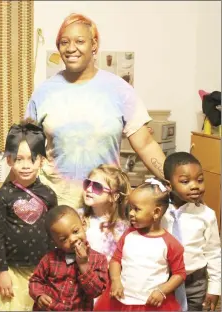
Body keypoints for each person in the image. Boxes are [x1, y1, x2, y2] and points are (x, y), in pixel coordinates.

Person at [24, 13, 166, 208]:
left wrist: (174, 181)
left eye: (79, 41)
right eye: (64, 42)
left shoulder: (119, 90)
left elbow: (146, 145)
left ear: (94, 45)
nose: (71, 48)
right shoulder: (43, 93)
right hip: (56, 207)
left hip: (105, 206)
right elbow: (27, 150)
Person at [0, 119, 58, 311]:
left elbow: (54, 236)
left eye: (32, 158)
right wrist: (1, 272)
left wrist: (53, 271)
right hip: (12, 271)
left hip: (42, 273)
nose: (26, 165)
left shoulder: (49, 195)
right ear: (9, 160)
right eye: (19, 159)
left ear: (42, 161)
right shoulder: (3, 195)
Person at [95, 178, 186, 311]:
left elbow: (179, 274)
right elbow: (115, 260)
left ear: (156, 212)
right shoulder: (128, 235)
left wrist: (162, 291)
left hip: (151, 305)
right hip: (121, 302)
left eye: (136, 209)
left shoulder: (170, 244)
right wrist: (115, 280)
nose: (131, 213)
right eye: (130, 208)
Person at [161, 152, 221, 311]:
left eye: (200, 180)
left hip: (195, 284)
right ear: (169, 185)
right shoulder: (159, 211)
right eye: (185, 181)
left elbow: (214, 252)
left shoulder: (206, 215)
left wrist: (215, 288)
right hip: (162, 281)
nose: (195, 186)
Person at [29, 205, 108, 311]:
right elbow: (35, 280)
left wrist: (84, 265)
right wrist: (39, 295)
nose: (73, 239)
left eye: (75, 231)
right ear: (55, 242)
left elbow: (96, 291)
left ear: (84, 224)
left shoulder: (99, 259)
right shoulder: (49, 259)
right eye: (63, 239)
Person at [78, 164, 130, 261]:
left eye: (97, 187)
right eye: (87, 183)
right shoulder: (77, 217)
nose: (89, 189)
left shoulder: (121, 228)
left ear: (114, 196)